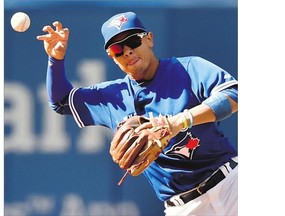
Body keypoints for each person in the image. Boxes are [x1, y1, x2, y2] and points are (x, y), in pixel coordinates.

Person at [37, 11, 238, 216]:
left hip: (232, 185)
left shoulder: (187, 68)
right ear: (111, 57)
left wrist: (180, 121)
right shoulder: (112, 97)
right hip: (184, 207)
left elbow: (234, 94)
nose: (127, 51)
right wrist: (55, 59)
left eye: (133, 40)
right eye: (117, 48)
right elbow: (61, 102)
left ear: (149, 39)